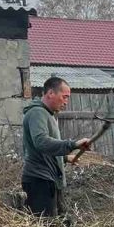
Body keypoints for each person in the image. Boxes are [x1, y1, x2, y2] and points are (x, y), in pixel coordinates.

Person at [22, 77, 90, 218]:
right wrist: (72, 144)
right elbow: (41, 142)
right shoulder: (37, 113)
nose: (66, 102)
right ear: (51, 93)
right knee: (45, 226)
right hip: (39, 180)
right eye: (64, 97)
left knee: (56, 223)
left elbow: (43, 150)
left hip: (48, 179)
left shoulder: (48, 114)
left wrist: (64, 158)